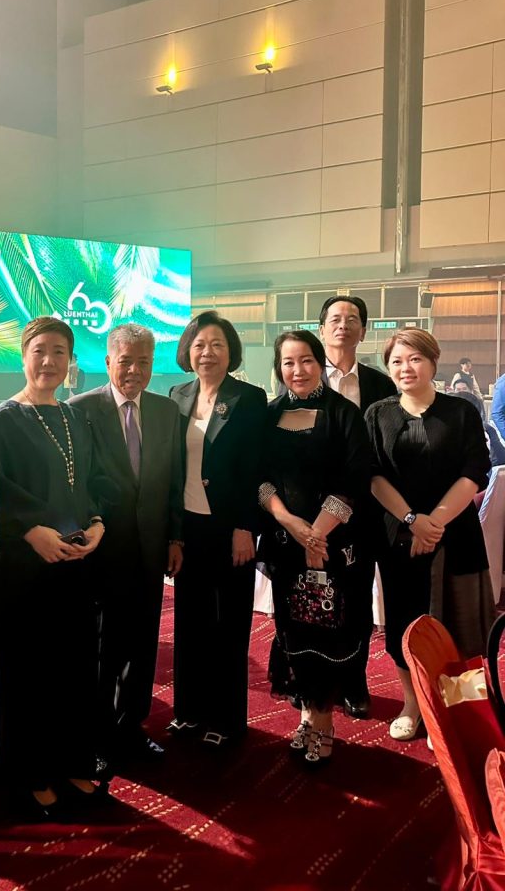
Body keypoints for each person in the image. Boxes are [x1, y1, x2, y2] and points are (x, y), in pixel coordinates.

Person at [0, 317, 106, 819]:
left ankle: (72, 760)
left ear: (70, 360)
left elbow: (91, 480)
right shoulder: (0, 420)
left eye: (59, 352)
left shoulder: (76, 417)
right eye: (40, 351)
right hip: (24, 567)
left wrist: (97, 523)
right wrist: (30, 530)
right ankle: (31, 773)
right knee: (29, 673)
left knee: (74, 668)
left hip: (74, 562)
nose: (50, 361)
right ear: (23, 355)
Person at [365, 328, 495, 741]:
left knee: (460, 624)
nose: (406, 368)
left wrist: (433, 522)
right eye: (396, 361)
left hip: (456, 533)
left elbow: (475, 471)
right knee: (406, 621)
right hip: (399, 536)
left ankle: (462, 707)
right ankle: (414, 703)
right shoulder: (378, 414)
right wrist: (412, 520)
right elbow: (373, 476)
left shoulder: (461, 411)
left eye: (415, 358)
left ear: (433, 362)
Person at [70, 323, 184, 770]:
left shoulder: (166, 411)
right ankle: (98, 736)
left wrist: (174, 537)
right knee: (103, 646)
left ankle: (132, 726)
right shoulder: (80, 410)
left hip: (151, 548)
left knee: (143, 642)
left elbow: (174, 479)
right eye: (126, 361)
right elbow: (78, 484)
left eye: (144, 362)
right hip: (102, 550)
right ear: (108, 362)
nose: (135, 370)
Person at [258, 331, 372, 764]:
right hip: (287, 542)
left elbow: (354, 478)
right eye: (288, 362)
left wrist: (317, 534)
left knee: (330, 631)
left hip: (335, 546)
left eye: (306, 360)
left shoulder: (343, 414)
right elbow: (261, 479)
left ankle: (324, 720)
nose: (297, 370)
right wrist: (290, 523)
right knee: (294, 629)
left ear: (320, 362)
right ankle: (307, 713)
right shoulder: (271, 414)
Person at [168, 311, 266, 747]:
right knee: (189, 623)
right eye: (200, 345)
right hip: (188, 528)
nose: (207, 352)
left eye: (217, 345)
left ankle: (226, 720)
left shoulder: (249, 398)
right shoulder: (177, 395)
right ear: (188, 351)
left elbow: (255, 467)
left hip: (230, 529)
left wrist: (246, 526)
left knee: (228, 624)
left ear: (231, 352)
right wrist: (172, 533)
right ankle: (188, 712)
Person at [317, 295, 396, 719]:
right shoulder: (302, 376)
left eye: (352, 319)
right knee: (312, 594)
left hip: (362, 511)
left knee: (357, 597)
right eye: (335, 318)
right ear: (321, 329)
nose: (343, 325)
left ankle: (354, 681)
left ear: (363, 331)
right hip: (312, 514)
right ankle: (314, 679)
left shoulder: (381, 385)